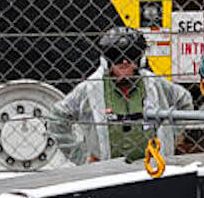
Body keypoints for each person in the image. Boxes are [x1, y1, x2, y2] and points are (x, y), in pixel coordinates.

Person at [47, 27, 192, 165]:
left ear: (139, 60)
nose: (124, 62)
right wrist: (80, 156)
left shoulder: (155, 84)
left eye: (130, 55)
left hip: (151, 167)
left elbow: (184, 100)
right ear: (106, 61)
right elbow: (57, 117)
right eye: (116, 55)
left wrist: (170, 137)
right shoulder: (90, 89)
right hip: (107, 172)